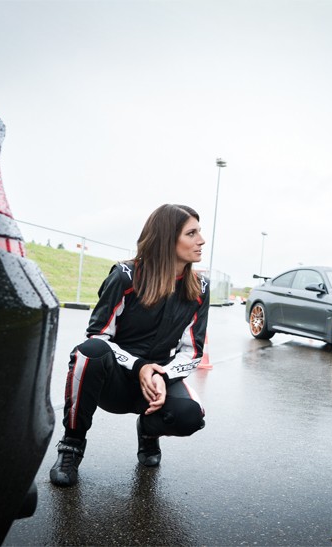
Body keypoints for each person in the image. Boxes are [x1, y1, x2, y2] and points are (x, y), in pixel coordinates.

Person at [50, 203, 210, 487]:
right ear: (167, 238)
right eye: (191, 233)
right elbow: (97, 336)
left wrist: (161, 375)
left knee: (191, 416)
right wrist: (139, 366)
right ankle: (71, 446)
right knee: (88, 353)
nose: (201, 240)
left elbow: (193, 351)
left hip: (156, 383)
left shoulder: (200, 288)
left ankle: (148, 433)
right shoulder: (126, 275)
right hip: (115, 381)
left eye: (200, 232)